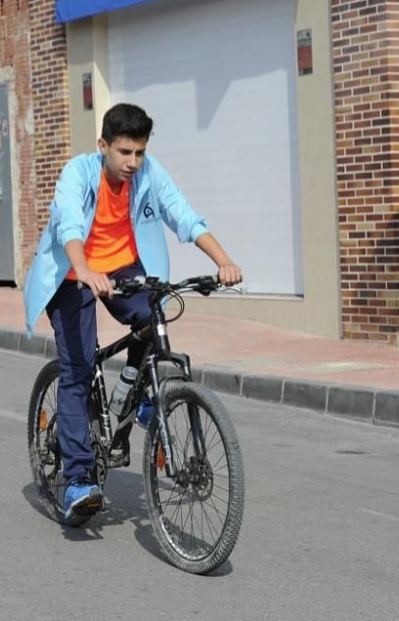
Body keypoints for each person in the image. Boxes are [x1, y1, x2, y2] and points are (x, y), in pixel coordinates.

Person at [23, 103, 241, 521]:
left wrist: (223, 261)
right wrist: (84, 269)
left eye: (139, 152)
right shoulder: (78, 175)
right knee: (79, 368)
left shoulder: (148, 173)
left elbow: (183, 215)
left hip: (124, 269)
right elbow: (68, 223)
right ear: (103, 145)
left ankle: (144, 394)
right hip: (72, 273)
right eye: (124, 152)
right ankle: (76, 480)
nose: (133, 162)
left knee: (153, 320)